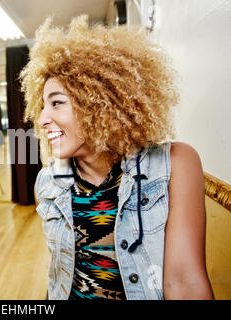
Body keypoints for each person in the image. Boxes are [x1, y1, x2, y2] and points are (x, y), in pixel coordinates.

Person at [20, 15, 214, 300]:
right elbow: (59, 277)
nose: (43, 118)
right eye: (42, 106)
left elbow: (185, 283)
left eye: (57, 103)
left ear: (100, 102)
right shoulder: (47, 184)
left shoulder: (176, 164)